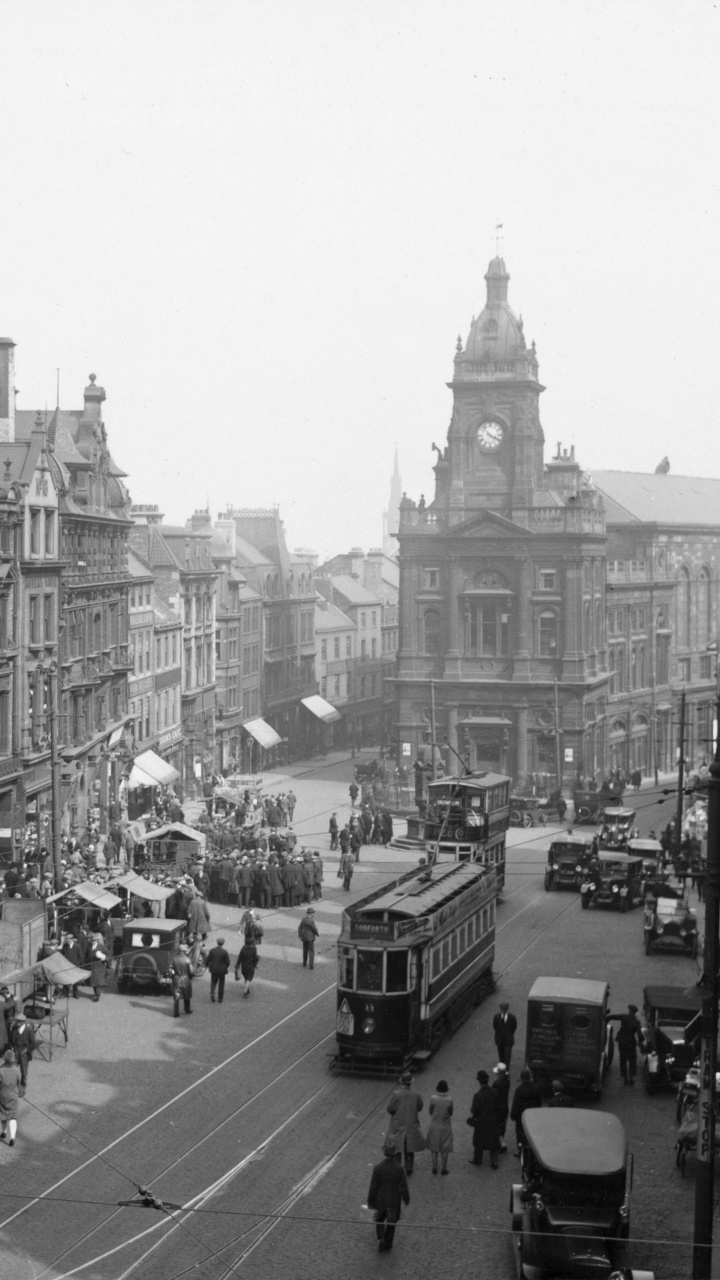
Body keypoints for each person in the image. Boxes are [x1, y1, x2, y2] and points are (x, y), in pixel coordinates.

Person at [367, 1144, 410, 1254]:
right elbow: (403, 1186)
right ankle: (388, 1242)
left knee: (380, 1220)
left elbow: (373, 1186)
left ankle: (380, 1238)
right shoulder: (399, 1169)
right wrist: (406, 1198)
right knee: (391, 1223)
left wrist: (370, 1201)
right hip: (393, 1201)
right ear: (394, 1155)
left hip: (380, 1200)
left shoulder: (377, 1168)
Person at [385, 1071, 425, 1176]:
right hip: (411, 1125)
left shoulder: (396, 1094)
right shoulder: (416, 1095)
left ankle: (398, 1167)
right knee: (409, 1148)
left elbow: (390, 1109)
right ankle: (409, 1168)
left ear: (401, 1082)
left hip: (398, 1125)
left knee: (398, 1148)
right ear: (410, 1083)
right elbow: (420, 1107)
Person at [469, 1069, 502, 1168]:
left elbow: (474, 1110)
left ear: (479, 1081)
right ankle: (494, 1161)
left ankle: (477, 1159)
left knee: (478, 1141)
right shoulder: (495, 1092)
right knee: (494, 1142)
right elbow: (498, 1107)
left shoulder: (478, 1095)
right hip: (493, 1121)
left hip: (481, 1121)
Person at [510, 1067, 542, 1155]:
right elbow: (539, 1101)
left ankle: (521, 1150)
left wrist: (513, 1115)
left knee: (520, 1133)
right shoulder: (536, 1087)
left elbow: (516, 1103)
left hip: (522, 1114)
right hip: (533, 1113)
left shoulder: (519, 1090)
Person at [426, 1079, 454, 1175]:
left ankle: (434, 1167)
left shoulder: (433, 1098)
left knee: (434, 1147)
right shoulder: (450, 1100)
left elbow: (430, 1111)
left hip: (434, 1125)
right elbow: (450, 1113)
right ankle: (444, 1168)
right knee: (445, 1148)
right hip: (445, 1126)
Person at [612, 1003, 644, 1086]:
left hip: (622, 1042)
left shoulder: (624, 1017)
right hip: (631, 1043)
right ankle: (631, 1077)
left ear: (629, 1010)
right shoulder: (637, 1022)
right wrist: (641, 1041)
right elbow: (639, 1034)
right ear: (635, 1012)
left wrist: (606, 1018)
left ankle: (625, 1077)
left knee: (623, 1059)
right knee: (632, 1060)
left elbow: (613, 1016)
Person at [10, 1014, 38, 1092]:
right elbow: (10, 1041)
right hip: (15, 1053)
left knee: (24, 1072)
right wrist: (11, 1048)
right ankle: (13, 1087)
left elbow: (34, 1044)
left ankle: (22, 1088)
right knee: (13, 1071)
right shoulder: (14, 1029)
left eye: (17, 1021)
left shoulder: (29, 1031)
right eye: (16, 1021)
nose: (16, 1022)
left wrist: (27, 1050)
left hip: (24, 1055)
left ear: (22, 1022)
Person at [0, 1048, 21, 1147]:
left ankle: (3, 1131)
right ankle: (12, 1137)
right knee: (13, 1116)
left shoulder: (1, 1071)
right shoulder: (16, 1070)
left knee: (3, 1115)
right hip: (13, 1096)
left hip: (3, 1096)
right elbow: (18, 1083)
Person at [491, 1062, 510, 1153]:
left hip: (498, 1108)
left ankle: (501, 1144)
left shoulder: (496, 1084)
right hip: (505, 1106)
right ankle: (501, 1142)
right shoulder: (507, 1082)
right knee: (502, 1126)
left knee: (496, 1126)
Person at [170, 944, 193, 1017]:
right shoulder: (187, 959)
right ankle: (187, 1009)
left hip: (176, 978)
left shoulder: (174, 959)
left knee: (176, 996)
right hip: (185, 978)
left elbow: (170, 969)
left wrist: (173, 976)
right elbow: (191, 971)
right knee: (187, 995)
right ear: (183, 951)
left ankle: (176, 1012)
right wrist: (189, 977)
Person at [492, 1001, 517, 1068]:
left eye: (504, 1009)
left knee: (507, 1055)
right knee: (501, 1055)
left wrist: (508, 1034)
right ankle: (502, 1068)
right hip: (499, 1040)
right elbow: (495, 1026)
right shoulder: (496, 1017)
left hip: (508, 1040)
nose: (503, 1010)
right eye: (502, 1009)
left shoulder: (512, 1018)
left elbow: (514, 1027)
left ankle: (506, 1070)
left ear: (506, 1009)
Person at [206, 936, 231, 1003]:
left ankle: (212, 993)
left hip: (213, 969)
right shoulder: (224, 952)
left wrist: (207, 965)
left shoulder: (212, 950)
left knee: (213, 982)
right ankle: (220, 998)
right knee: (221, 984)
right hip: (222, 970)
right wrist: (225, 966)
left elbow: (208, 959)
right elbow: (228, 962)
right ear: (223, 943)